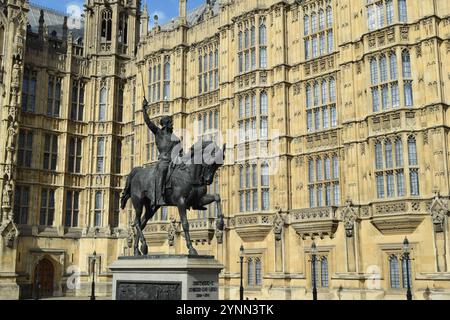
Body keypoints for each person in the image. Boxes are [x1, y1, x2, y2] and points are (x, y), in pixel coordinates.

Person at [142, 99, 206, 210]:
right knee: (162, 170)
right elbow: (148, 122)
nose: (172, 124)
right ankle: (158, 196)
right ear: (166, 124)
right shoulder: (159, 133)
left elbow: (180, 153)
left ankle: (194, 200)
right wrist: (144, 109)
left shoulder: (175, 138)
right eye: (171, 123)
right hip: (164, 161)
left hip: (175, 162)